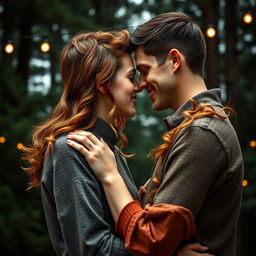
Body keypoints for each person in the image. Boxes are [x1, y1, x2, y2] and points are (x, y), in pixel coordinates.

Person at [67, 12, 244, 256]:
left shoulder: (201, 131)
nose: (140, 84)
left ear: (174, 60)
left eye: (144, 70)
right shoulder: (193, 127)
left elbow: (149, 240)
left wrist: (110, 176)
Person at [22, 29, 209, 256]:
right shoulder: (71, 149)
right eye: (131, 77)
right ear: (103, 84)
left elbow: (125, 234)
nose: (139, 86)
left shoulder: (106, 150)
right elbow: (92, 249)